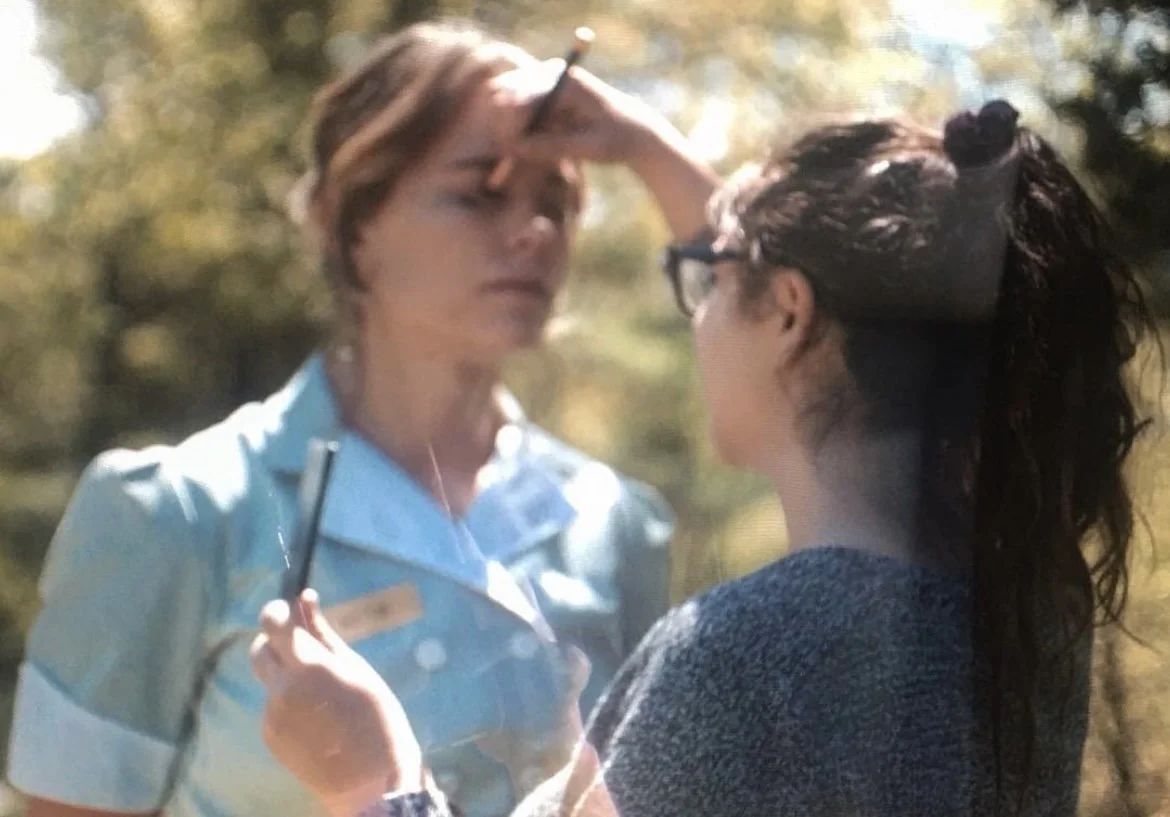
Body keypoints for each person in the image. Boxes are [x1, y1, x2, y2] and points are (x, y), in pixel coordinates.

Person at [249, 67, 1161, 817]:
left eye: (709, 281)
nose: (696, 317)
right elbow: (810, 260)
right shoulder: (1030, 615)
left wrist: (376, 778)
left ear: (790, 313)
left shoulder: (738, 659)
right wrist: (645, 146)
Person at [6, 20, 720, 817]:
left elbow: (790, 324)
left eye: (555, 203)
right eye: (479, 193)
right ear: (355, 227)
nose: (535, 231)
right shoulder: (177, 513)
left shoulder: (614, 526)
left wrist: (648, 148)